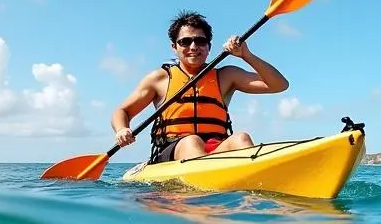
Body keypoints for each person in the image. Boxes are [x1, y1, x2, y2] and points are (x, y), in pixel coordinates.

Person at [111, 11, 289, 163]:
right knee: (192, 141)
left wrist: (246, 55)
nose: (193, 47)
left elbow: (279, 85)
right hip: (172, 150)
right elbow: (122, 111)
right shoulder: (159, 78)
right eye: (185, 41)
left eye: (200, 41)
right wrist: (122, 129)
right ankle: (202, 199)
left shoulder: (225, 76)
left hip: (216, 147)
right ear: (174, 47)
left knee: (242, 138)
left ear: (209, 47)